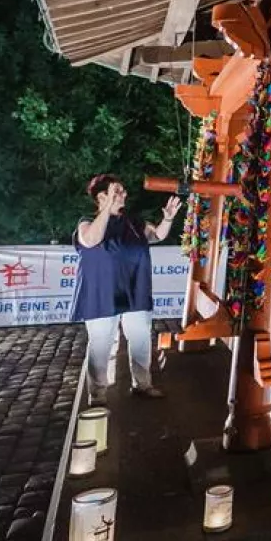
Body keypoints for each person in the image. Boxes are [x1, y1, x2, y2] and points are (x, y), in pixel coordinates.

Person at [72, 173, 182, 406]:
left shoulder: (133, 222)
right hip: (102, 293)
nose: (124, 195)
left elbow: (157, 235)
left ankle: (142, 384)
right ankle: (98, 393)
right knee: (101, 343)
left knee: (141, 338)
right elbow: (90, 240)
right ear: (102, 196)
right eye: (117, 191)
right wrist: (107, 208)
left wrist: (168, 218)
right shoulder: (86, 223)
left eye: (122, 191)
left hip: (135, 289)